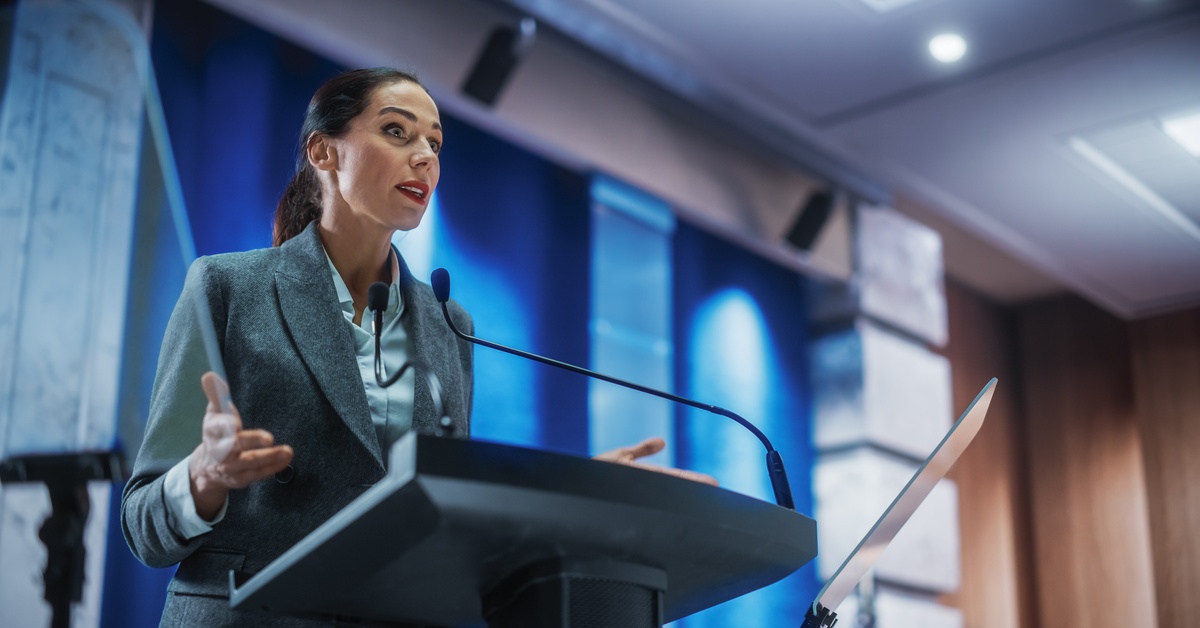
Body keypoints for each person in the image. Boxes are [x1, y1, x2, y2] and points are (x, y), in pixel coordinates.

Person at [121, 68, 712, 627]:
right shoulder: (226, 286)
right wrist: (203, 476)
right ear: (323, 152)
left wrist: (579, 491)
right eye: (396, 131)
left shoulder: (449, 322)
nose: (426, 156)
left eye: (435, 143)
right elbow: (143, 525)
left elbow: (445, 511)